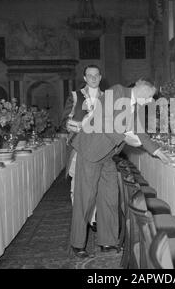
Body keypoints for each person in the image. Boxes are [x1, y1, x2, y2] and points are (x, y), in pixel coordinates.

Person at [70, 79, 171, 258]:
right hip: (90, 151)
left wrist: (157, 151)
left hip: (108, 155)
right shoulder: (117, 91)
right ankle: (78, 243)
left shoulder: (137, 106)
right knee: (85, 199)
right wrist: (125, 137)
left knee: (110, 197)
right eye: (148, 97)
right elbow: (103, 121)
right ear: (140, 90)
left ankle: (107, 241)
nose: (149, 102)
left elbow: (140, 132)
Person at [61, 64, 103, 228]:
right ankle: (83, 220)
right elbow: (65, 121)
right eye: (89, 75)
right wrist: (83, 125)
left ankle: (94, 219)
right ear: (84, 78)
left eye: (96, 75)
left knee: (97, 185)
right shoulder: (75, 96)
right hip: (79, 148)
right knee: (78, 186)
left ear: (100, 77)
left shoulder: (107, 97)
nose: (93, 78)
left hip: (100, 149)